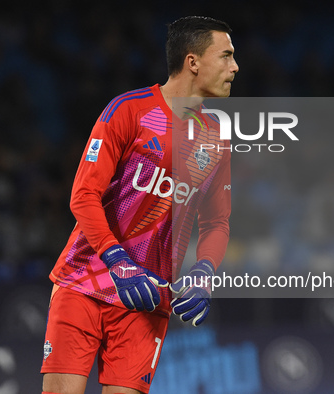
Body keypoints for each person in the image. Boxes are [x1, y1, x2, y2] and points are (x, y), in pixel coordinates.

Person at [41, 16, 239, 394]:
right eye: (226, 56)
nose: (235, 67)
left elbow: (217, 222)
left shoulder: (216, 138)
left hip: (147, 298)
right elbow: (82, 196)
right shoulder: (128, 110)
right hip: (86, 281)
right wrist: (119, 262)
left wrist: (204, 271)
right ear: (193, 62)